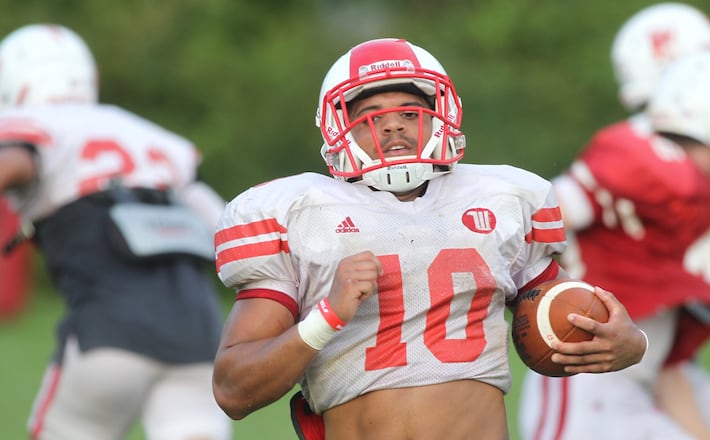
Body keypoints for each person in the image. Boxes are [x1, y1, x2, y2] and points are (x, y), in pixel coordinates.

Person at [211, 37, 648, 440]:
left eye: (408, 111)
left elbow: (565, 318)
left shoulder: (504, 199)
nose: (394, 126)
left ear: (442, 114)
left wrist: (630, 345)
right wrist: (328, 314)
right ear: (338, 125)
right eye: (371, 116)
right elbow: (233, 391)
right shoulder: (300, 213)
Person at [518, 30, 710, 440]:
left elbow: (673, 343)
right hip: (588, 388)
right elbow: (546, 211)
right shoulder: (646, 162)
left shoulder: (698, 198)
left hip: (643, 376)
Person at [0, 23, 232, 440]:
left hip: (107, 332)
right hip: (199, 333)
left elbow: (17, 161)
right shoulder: (150, 137)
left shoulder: (30, 123)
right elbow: (229, 231)